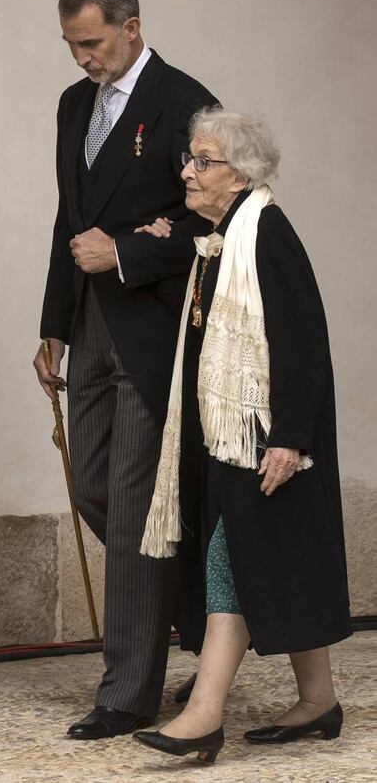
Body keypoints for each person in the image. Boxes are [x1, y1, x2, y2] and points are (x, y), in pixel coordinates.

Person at [33, 0, 218, 739]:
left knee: (140, 504)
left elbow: (215, 220)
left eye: (92, 42)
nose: (82, 58)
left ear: (131, 27)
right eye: (73, 45)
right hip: (90, 323)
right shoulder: (74, 105)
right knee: (96, 488)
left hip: (156, 329)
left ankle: (129, 690)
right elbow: (67, 217)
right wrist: (54, 323)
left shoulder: (186, 101)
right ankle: (196, 617)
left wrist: (128, 256)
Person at [133, 109, 352, 763]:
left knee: (234, 557)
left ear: (241, 174)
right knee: (274, 558)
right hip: (233, 436)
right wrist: (160, 236)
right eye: (189, 158)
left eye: (203, 161)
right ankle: (319, 702)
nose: (187, 170)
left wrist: (289, 437)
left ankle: (204, 715)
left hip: (264, 438)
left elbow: (302, 341)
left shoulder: (266, 233)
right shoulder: (220, 235)